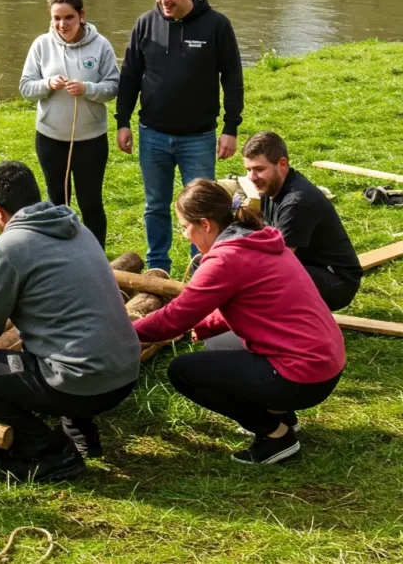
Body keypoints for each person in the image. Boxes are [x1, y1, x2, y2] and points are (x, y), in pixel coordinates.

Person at [0, 161, 140, 481]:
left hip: (84, 382)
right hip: (123, 372)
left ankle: (53, 454)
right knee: (62, 341)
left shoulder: (9, 248)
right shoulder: (76, 227)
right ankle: (83, 437)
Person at [133, 179, 345, 464]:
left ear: (205, 224)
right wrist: (209, 324)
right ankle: (280, 413)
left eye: (184, 226)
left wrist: (125, 332)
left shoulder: (225, 260)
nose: (185, 235)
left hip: (303, 374)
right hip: (326, 362)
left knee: (183, 371)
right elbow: (254, 301)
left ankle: (275, 435)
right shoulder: (257, 238)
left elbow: (174, 320)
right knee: (220, 343)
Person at [115, 0, 245, 272]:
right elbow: (130, 75)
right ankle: (157, 267)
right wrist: (122, 121)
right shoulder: (145, 23)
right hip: (153, 134)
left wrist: (230, 127)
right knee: (155, 206)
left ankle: (202, 267)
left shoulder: (216, 25)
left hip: (198, 137)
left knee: (202, 209)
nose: (164, 0)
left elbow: (232, 77)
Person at [20, 0, 120, 249]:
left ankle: (96, 254)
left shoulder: (101, 46)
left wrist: (87, 88)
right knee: (57, 201)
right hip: (51, 138)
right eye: (56, 18)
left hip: (90, 139)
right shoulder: (41, 45)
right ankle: (61, 257)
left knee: (90, 202)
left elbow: (113, 86)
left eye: (69, 18)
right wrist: (47, 85)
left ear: (82, 15)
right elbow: (26, 88)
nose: (62, 24)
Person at [242, 131, 362, 311]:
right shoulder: (271, 187)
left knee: (267, 278)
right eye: (248, 170)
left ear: (282, 164)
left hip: (338, 281)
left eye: (259, 169)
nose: (252, 177)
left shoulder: (298, 202)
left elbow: (276, 260)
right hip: (309, 267)